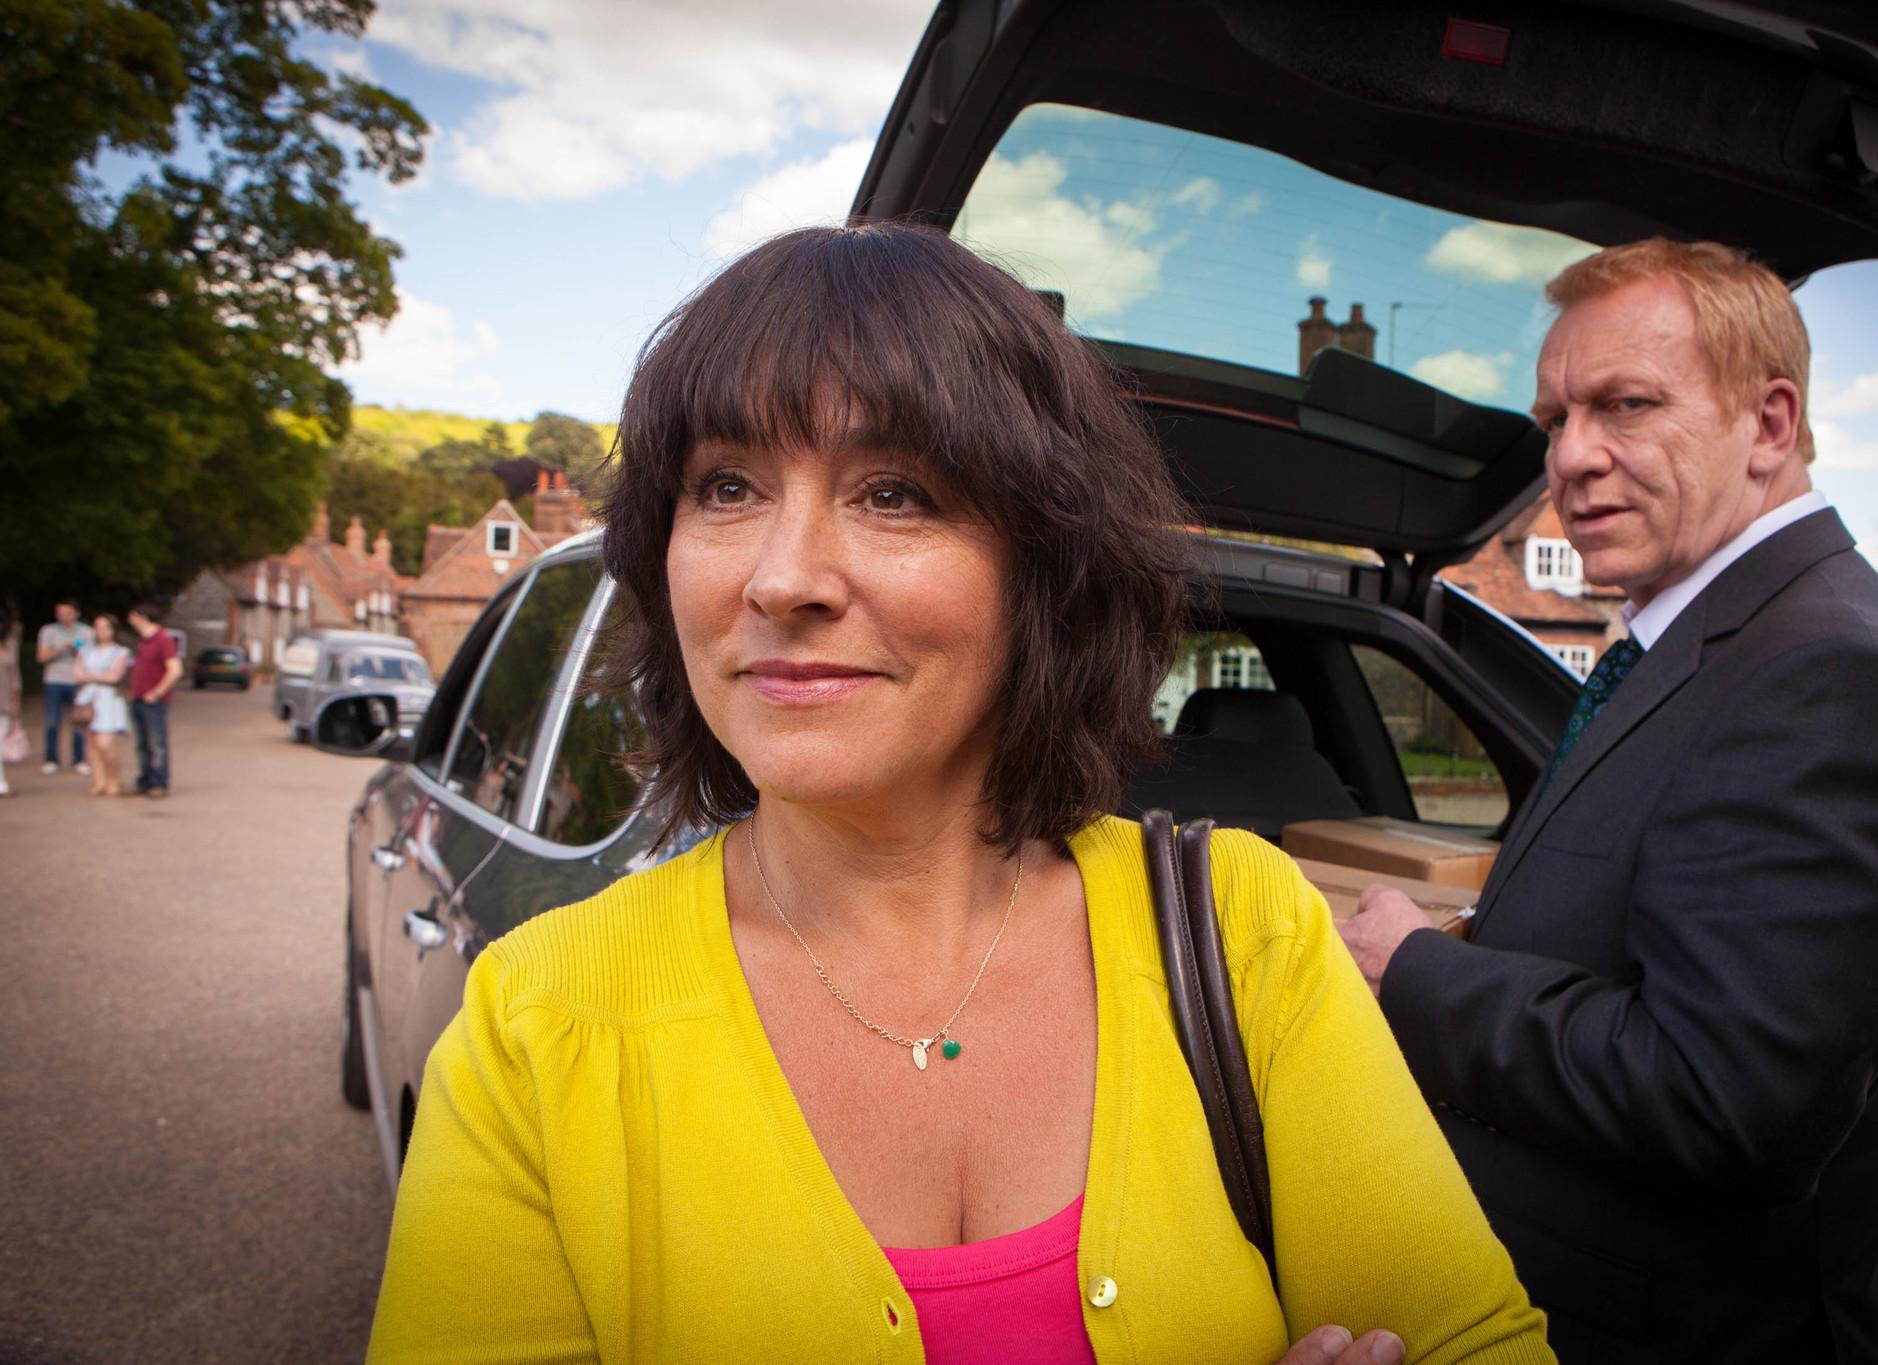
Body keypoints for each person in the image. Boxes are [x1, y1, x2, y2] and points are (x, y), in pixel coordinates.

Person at [368, 224, 1553, 1365]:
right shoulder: (536, 1022)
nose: (783, 578)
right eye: (725, 487)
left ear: (1041, 571)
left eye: (892, 493)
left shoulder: (1243, 929)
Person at [1339, 239, 1878, 1363]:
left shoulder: (1831, 678)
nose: (1570, 458)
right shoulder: (1703, 640)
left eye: (1624, 406)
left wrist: (1418, 972)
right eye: (1552, 419)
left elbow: (1718, 1102)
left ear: (1768, 426)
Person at [74, 614, 133, 797]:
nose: (101, 631)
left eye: (105, 627)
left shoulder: (120, 652)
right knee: (91, 743)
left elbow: (115, 676)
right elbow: (77, 674)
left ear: (113, 630)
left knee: (105, 743)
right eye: (98, 627)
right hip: (89, 698)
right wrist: (99, 675)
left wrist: (90, 675)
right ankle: (99, 782)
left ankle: (113, 780)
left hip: (108, 699)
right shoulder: (86, 650)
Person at [127, 603, 181, 798]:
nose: (130, 620)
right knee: (142, 743)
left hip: (154, 702)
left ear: (143, 617)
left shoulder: (163, 640)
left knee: (157, 742)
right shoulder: (143, 641)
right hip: (138, 699)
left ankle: (160, 782)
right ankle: (145, 780)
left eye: (132, 616)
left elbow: (175, 670)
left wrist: (157, 692)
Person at [36, 599, 90, 775]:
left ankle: (79, 760)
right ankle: (51, 759)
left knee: (78, 722)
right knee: (52, 722)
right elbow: (41, 657)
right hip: (54, 681)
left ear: (76, 613)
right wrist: (60, 648)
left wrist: (76, 649)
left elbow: (92, 657)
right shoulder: (48, 631)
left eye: (66, 613)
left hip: (77, 682)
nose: (62, 616)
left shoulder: (87, 632)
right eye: (59, 613)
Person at [0, 605, 21, 797]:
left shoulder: (10, 644)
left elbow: (15, 676)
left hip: (4, 701)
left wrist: (16, 704)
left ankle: (1, 784)